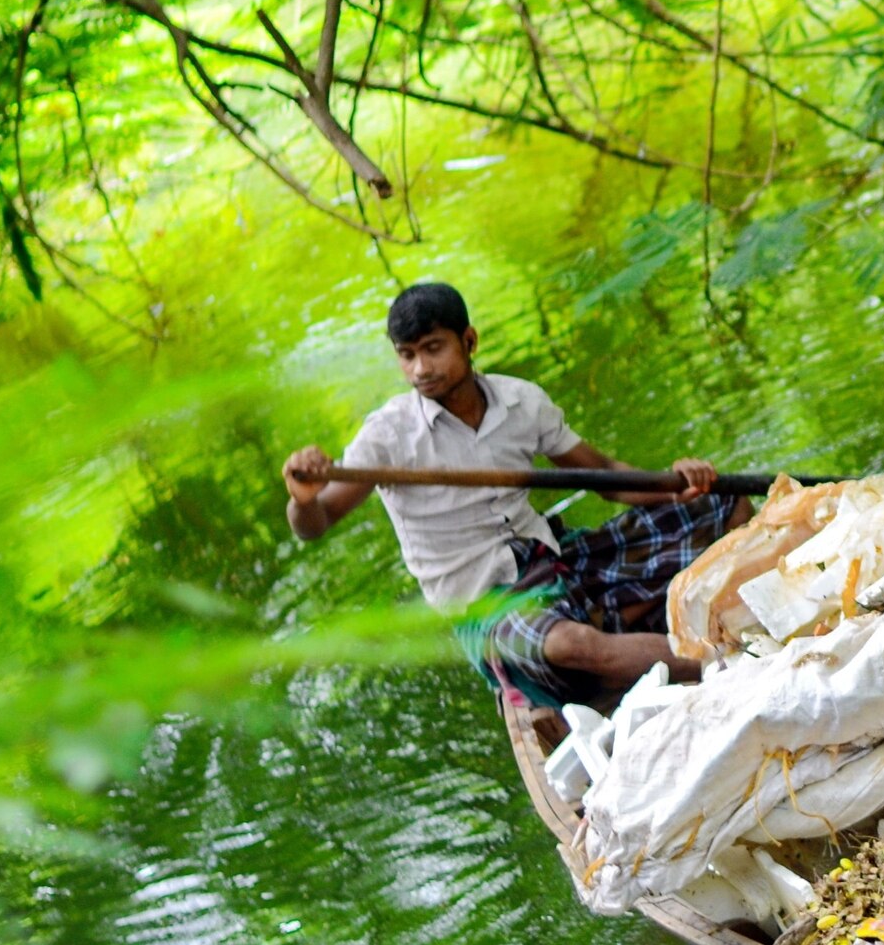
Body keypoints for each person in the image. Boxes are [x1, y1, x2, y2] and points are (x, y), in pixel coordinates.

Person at [282, 281, 736, 708]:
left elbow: (608, 477)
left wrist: (677, 482)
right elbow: (315, 523)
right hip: (485, 604)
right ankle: (735, 668)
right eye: (407, 356)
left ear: (469, 341)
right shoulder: (387, 436)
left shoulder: (522, 402)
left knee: (722, 504)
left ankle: (720, 619)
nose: (421, 369)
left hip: (551, 558)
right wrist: (302, 498)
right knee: (571, 643)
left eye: (433, 349)